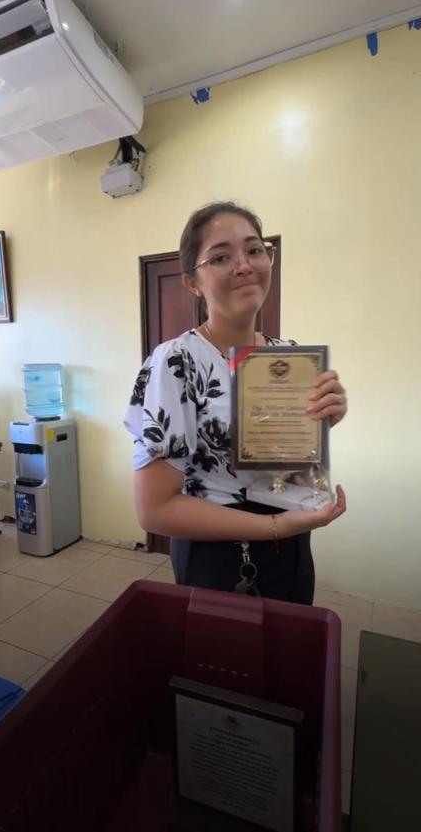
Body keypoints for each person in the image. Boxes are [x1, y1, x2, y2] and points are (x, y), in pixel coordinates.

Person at [124, 202, 347, 604]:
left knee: (288, 662)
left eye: (255, 250)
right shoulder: (177, 362)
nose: (244, 265)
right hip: (220, 558)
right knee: (229, 665)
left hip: (292, 546)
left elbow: (282, 457)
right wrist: (278, 526)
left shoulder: (287, 355)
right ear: (192, 282)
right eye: (222, 256)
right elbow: (153, 511)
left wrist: (323, 420)